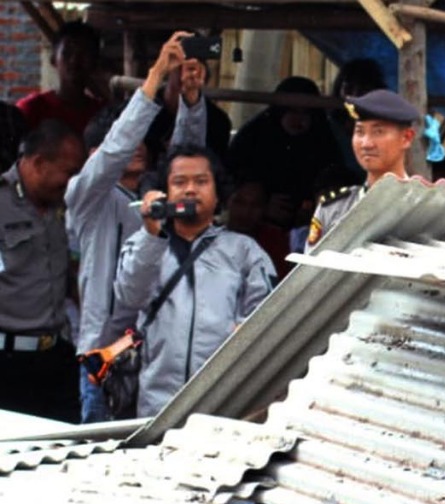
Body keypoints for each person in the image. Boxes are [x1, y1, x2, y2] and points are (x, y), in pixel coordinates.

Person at [68, 31, 207, 424]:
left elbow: (187, 159)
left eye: (144, 137)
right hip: (106, 357)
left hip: (162, 353)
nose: (139, 144)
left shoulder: (157, 194)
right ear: (96, 154)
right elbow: (116, 147)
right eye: (131, 137)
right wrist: (155, 78)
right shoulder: (88, 197)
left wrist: (191, 103)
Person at [114, 144, 274, 417]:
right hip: (156, 406)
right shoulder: (144, 244)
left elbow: (267, 321)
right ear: (165, 191)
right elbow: (130, 297)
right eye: (179, 182)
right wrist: (151, 234)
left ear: (218, 192)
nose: (190, 190)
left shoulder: (245, 251)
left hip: (223, 407)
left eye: (201, 181)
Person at [0, 120, 86, 422]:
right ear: (38, 163)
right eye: (68, 172)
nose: (72, 182)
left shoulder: (61, 207)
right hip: (7, 362)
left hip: (55, 355)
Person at [305, 89, 419, 253]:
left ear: (406, 138)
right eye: (359, 132)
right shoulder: (333, 209)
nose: (366, 143)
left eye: (378, 132)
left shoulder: (425, 208)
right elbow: (311, 273)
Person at [227, 76, 342, 231]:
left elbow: (333, 178)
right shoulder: (253, 136)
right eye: (292, 111)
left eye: (305, 113)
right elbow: (233, 182)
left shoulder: (323, 138)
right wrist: (263, 205)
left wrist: (313, 209)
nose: (298, 119)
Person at [16, 21, 105, 136]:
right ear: (53, 59)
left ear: (95, 63)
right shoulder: (32, 109)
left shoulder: (101, 114)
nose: (74, 60)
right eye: (67, 53)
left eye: (84, 53)